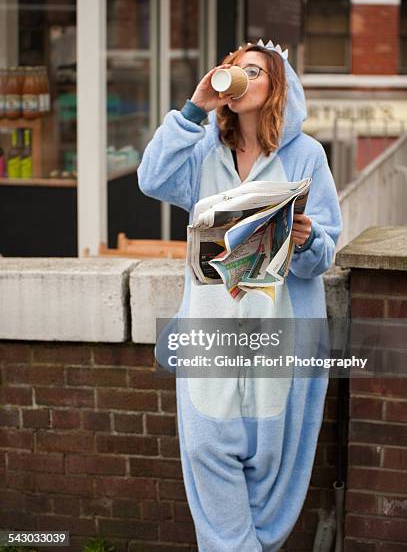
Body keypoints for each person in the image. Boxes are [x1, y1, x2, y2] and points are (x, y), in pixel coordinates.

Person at [137, 41, 343, 551]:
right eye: (234, 67)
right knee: (207, 447)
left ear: (278, 88)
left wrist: (306, 238)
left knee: (272, 464)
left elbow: (324, 257)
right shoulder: (203, 149)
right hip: (210, 333)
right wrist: (195, 107)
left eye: (254, 70)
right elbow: (151, 179)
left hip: (281, 334)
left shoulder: (306, 155)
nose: (240, 76)